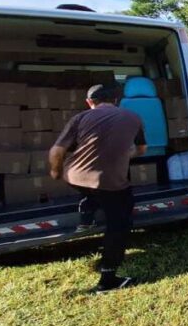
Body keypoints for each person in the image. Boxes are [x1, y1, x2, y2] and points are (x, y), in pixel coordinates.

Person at [50, 83, 146, 293]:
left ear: (89, 102)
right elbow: (141, 149)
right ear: (116, 101)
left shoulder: (80, 118)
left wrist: (56, 172)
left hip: (73, 176)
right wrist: (125, 155)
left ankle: (87, 215)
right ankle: (108, 278)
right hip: (109, 184)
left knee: (90, 191)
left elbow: (56, 152)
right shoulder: (133, 118)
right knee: (119, 224)